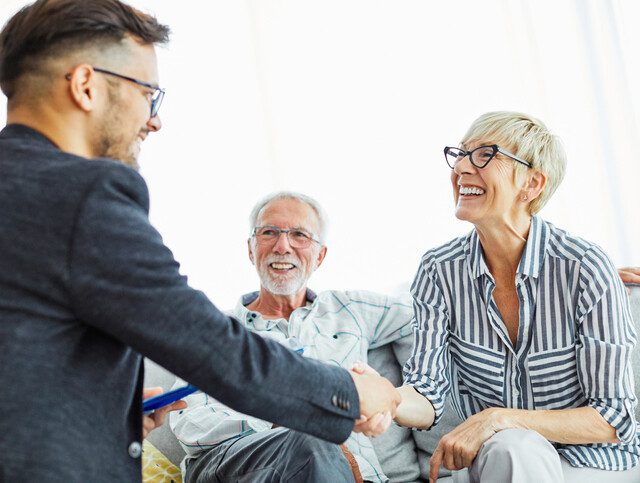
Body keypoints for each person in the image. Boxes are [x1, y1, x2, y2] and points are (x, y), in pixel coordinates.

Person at [0, 1, 400, 481]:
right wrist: (350, 395)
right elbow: (214, 349)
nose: (154, 120)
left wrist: (113, 410)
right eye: (149, 93)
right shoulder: (83, 193)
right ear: (86, 85)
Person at [393, 112, 640, 482]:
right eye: (460, 154)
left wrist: (497, 418)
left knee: (514, 445)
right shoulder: (438, 270)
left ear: (532, 183)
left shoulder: (584, 267)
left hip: (590, 463)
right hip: (500, 459)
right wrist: (386, 399)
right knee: (512, 448)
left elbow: (612, 417)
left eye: (484, 155)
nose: (461, 167)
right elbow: (426, 393)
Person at [169, 191, 414, 483]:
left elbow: (428, 317)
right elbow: (189, 420)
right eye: (269, 232)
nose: (283, 246)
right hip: (237, 465)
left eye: (299, 235)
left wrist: (400, 393)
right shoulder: (214, 328)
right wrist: (285, 420)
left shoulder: (349, 309)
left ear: (320, 255)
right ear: (251, 248)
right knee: (312, 439)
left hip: (353, 475)